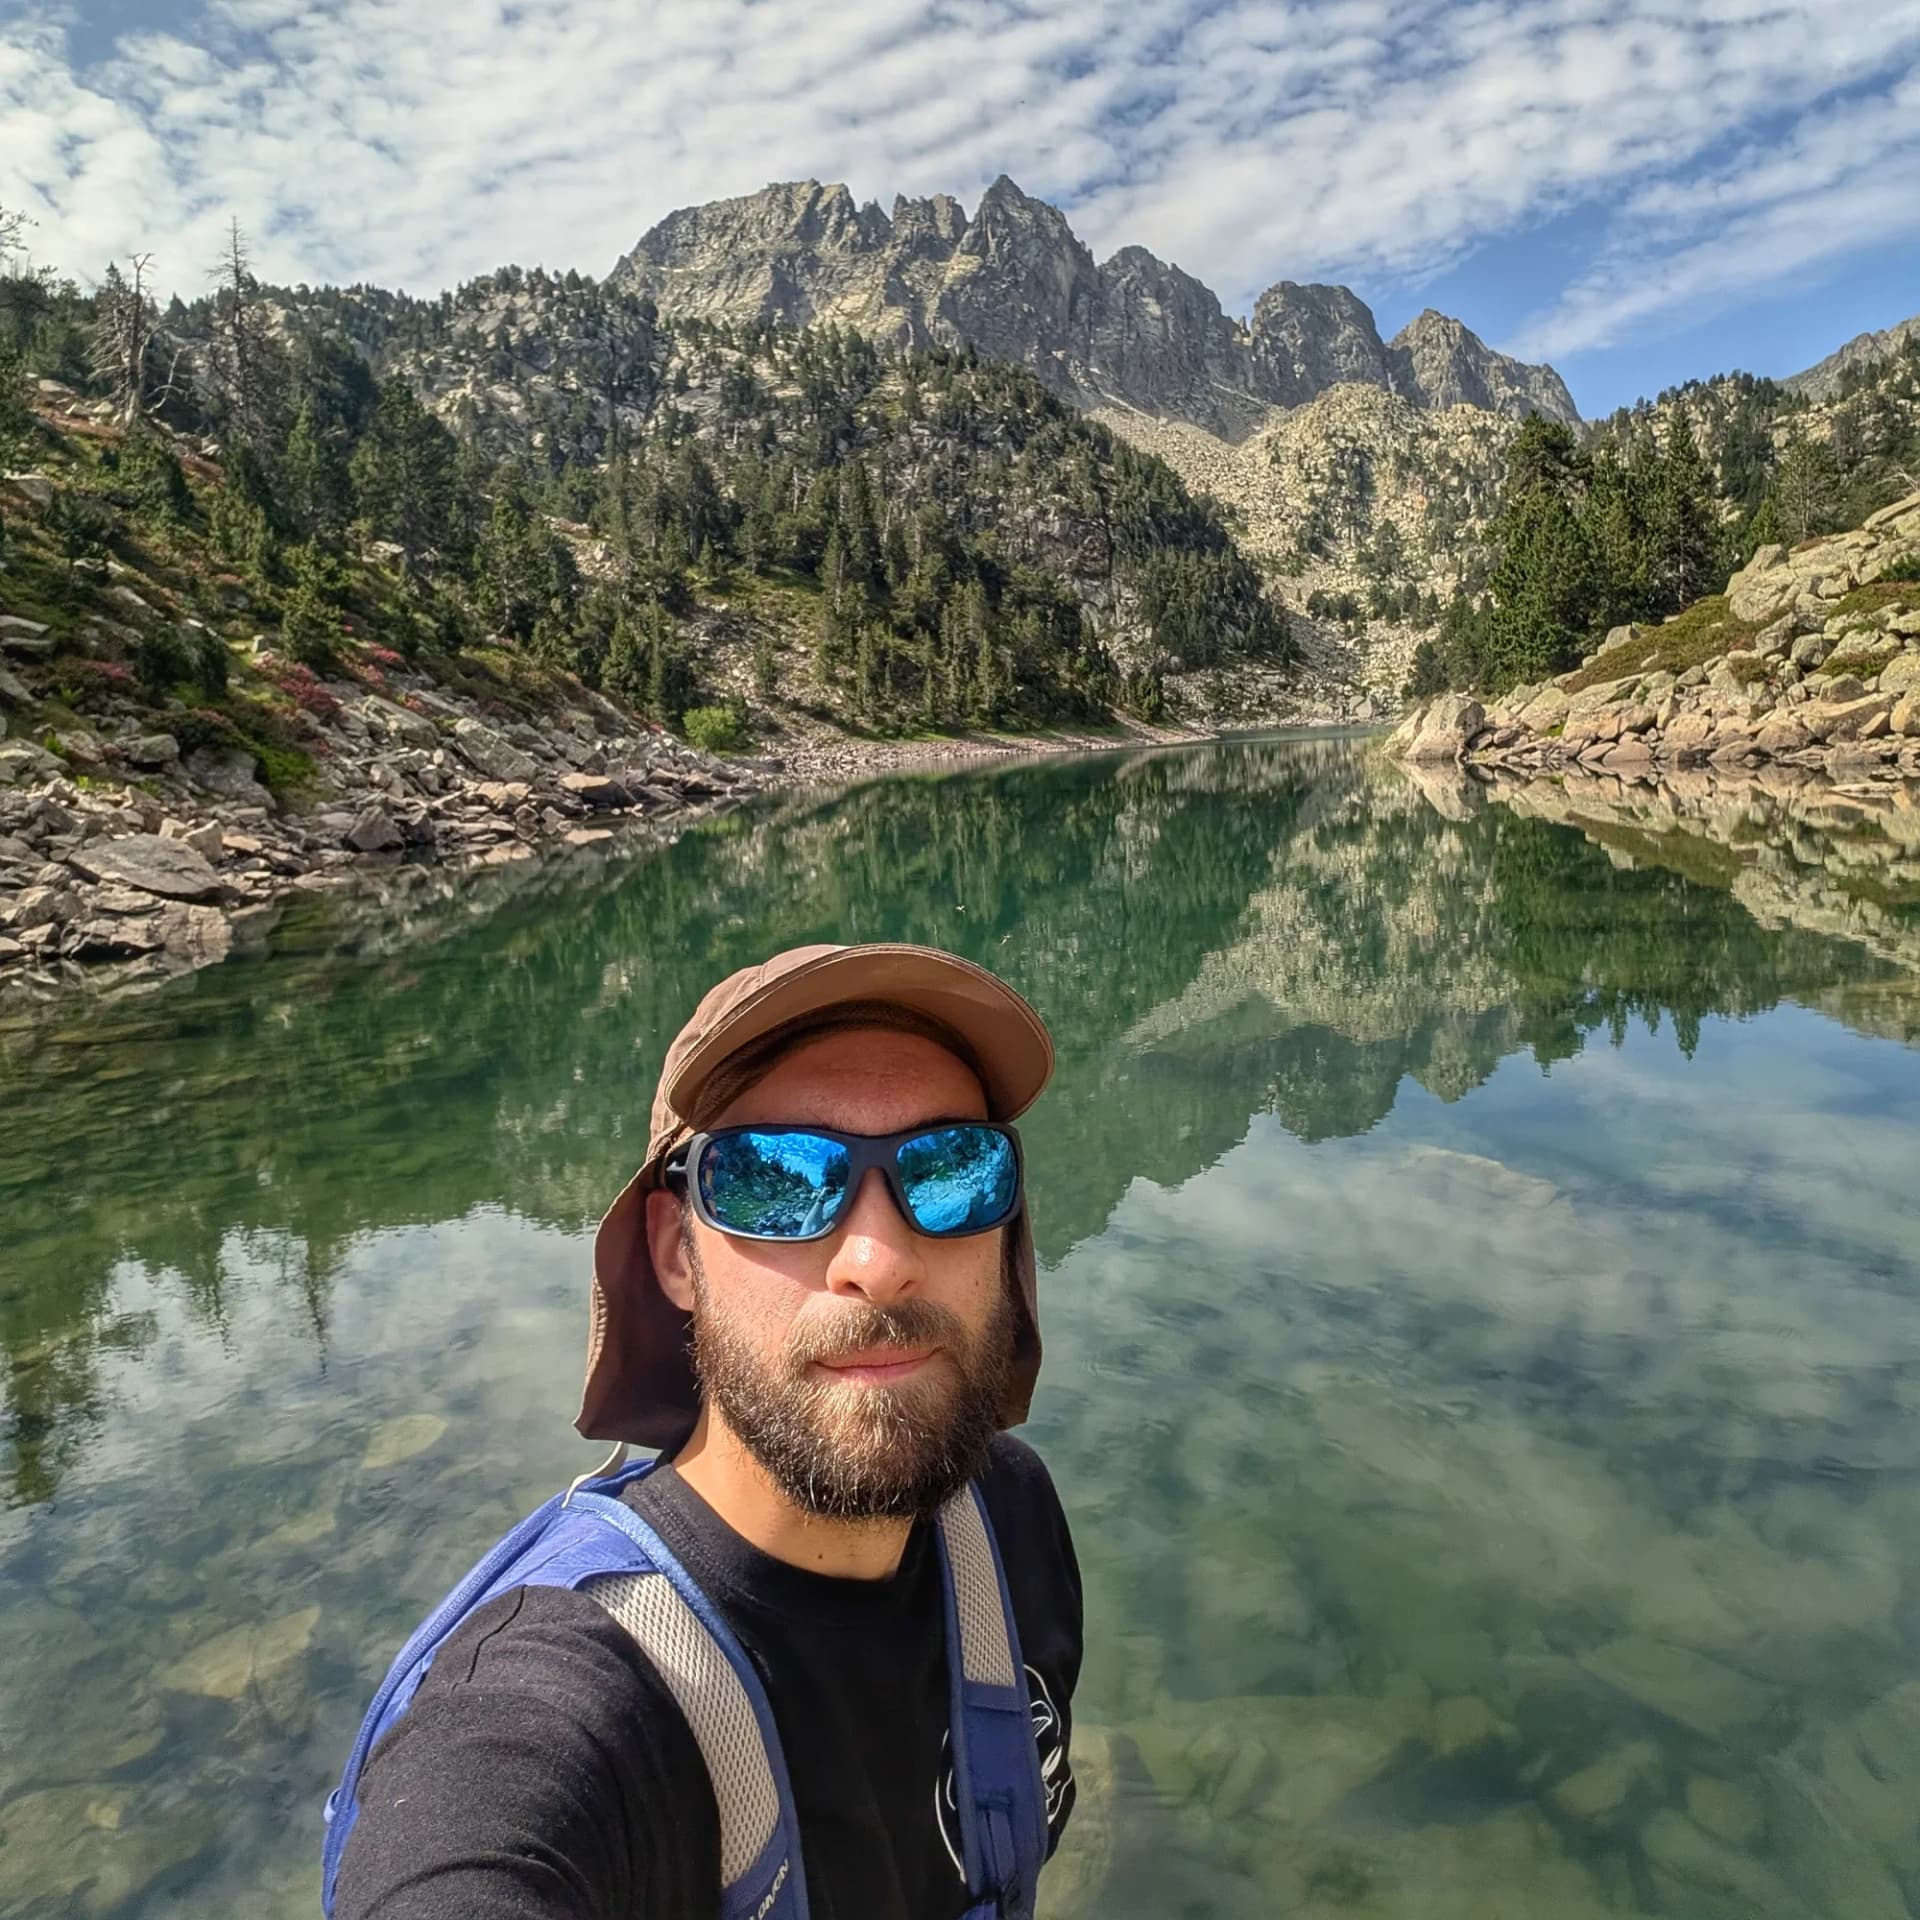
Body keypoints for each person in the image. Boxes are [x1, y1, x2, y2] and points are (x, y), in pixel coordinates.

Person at [328, 942, 1083, 1920]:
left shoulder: (1010, 1519)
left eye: (950, 1171)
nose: (879, 1259)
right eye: (775, 1181)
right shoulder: (562, 1704)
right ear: (673, 1256)